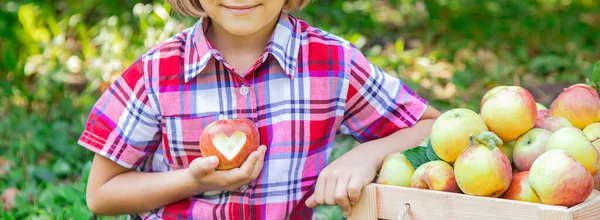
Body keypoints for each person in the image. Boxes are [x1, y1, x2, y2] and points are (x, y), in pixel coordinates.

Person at [79, 0, 441, 219]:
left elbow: (430, 128)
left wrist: (365, 155)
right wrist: (192, 181)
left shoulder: (332, 62)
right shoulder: (157, 73)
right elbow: (101, 193)